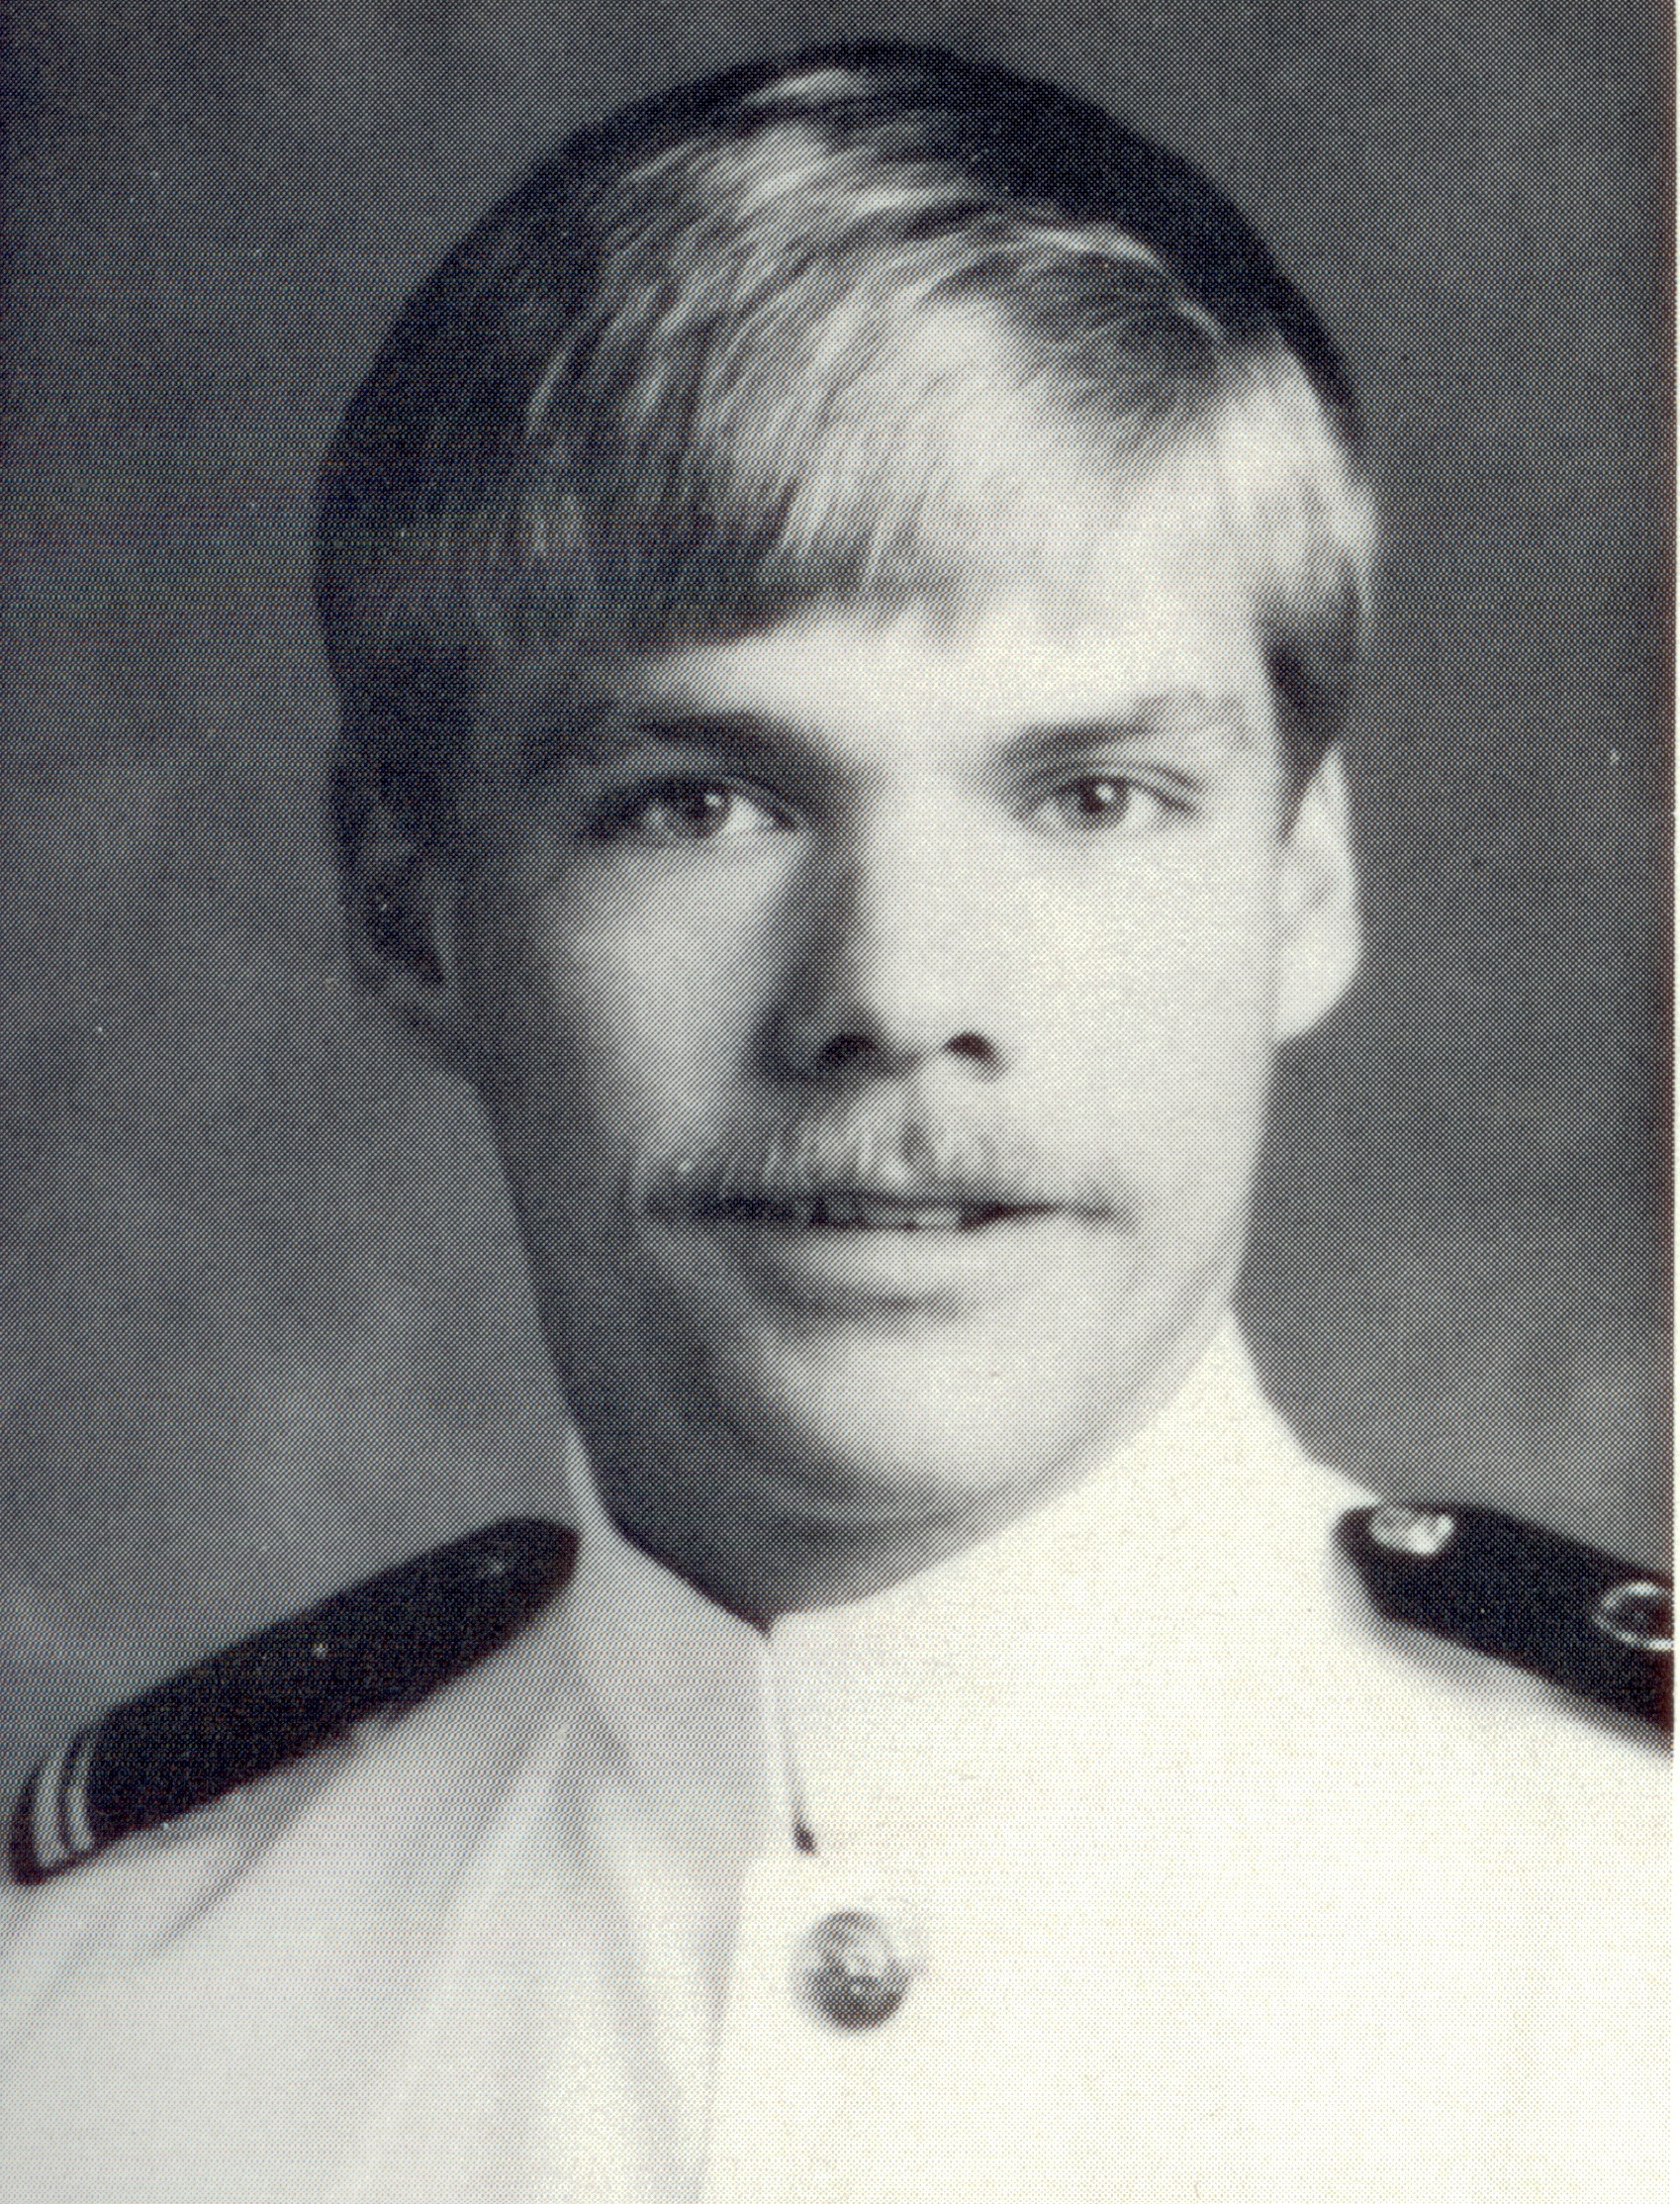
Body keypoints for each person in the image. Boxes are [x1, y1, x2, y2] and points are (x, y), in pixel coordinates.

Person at [0, 43, 1666, 2204]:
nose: (894, 993)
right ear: (409, 909)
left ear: (1302, 885)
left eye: (1091, 795)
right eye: (699, 802)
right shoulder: (83, 2037)